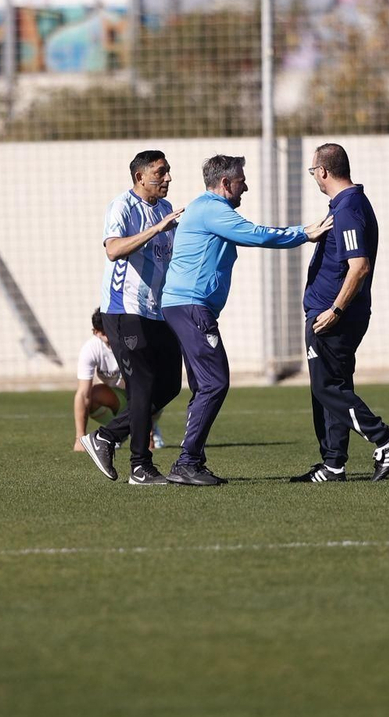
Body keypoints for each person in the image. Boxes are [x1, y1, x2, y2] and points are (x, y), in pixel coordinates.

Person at [159, 154, 331, 486]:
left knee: (203, 385)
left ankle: (189, 461)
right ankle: (185, 462)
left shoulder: (205, 208)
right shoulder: (213, 209)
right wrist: (303, 234)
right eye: (241, 180)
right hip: (190, 306)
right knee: (215, 382)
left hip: (184, 306)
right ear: (225, 183)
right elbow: (257, 235)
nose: (246, 186)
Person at [289, 143, 389, 483]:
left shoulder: (349, 208)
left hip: (334, 316)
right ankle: (333, 464)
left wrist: (335, 310)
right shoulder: (343, 206)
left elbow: (359, 267)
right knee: (332, 387)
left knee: (327, 387)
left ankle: (386, 439)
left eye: (314, 170)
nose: (314, 176)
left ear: (323, 172)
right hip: (326, 311)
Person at [77, 150, 183, 486]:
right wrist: (156, 229)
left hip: (156, 311)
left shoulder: (166, 210)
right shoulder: (121, 206)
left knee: (169, 385)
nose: (167, 178)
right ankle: (140, 466)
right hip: (124, 310)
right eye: (160, 173)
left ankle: (106, 437)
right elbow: (113, 249)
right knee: (142, 384)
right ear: (140, 177)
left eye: (167, 172)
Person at [72, 309, 166, 453]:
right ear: (96, 332)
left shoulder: (131, 343)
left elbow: (144, 387)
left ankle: (150, 426)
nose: (109, 336)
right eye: (104, 333)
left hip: (145, 398)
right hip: (121, 400)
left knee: (154, 390)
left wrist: (148, 433)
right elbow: (82, 394)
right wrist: (79, 438)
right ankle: (119, 433)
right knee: (93, 395)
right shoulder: (90, 349)